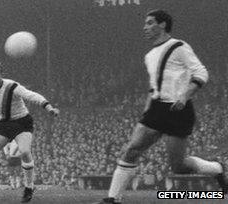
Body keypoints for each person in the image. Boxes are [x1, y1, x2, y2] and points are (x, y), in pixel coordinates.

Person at [97, 10, 227, 204]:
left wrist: (185, 95)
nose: (145, 27)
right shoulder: (149, 55)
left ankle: (217, 169)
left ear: (163, 25)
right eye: (145, 23)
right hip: (157, 109)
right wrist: (147, 111)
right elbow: (153, 87)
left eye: (150, 23)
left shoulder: (179, 47)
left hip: (179, 110)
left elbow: (201, 72)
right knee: (131, 150)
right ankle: (112, 199)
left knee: (179, 166)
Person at [0, 59, 59, 203]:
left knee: (25, 151)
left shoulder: (12, 86)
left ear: (1, 73)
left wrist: (48, 107)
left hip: (22, 122)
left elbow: (31, 95)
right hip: (3, 124)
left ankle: (29, 187)